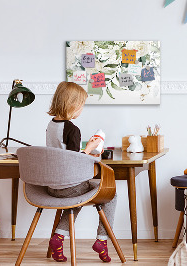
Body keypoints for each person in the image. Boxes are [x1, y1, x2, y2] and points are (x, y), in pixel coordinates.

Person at [46, 81, 116, 263]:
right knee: (111, 194)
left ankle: (58, 238)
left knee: (76, 198)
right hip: (69, 186)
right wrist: (90, 149)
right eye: (82, 105)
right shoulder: (72, 129)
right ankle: (102, 240)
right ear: (73, 105)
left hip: (52, 186)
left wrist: (85, 149)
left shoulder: (51, 125)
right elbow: (73, 161)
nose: (81, 109)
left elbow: (63, 154)